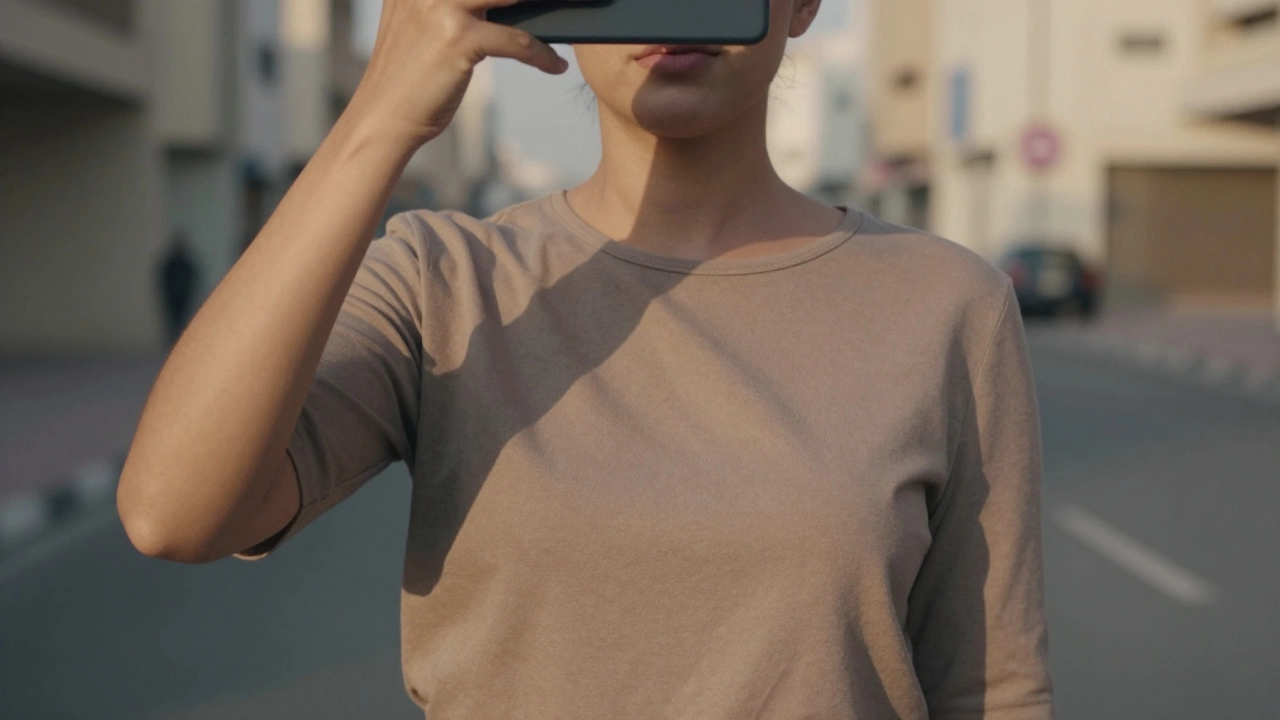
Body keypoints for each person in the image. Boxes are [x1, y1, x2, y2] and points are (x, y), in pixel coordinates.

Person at [117, 0, 1054, 717]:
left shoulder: (946, 301)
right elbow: (175, 512)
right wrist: (380, 118)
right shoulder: (444, 280)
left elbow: (991, 691)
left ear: (802, 2)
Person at [156, 232, 199, 347]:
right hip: (173, 295)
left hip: (182, 295)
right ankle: (175, 341)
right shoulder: (172, 263)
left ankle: (178, 340)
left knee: (181, 319)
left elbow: (192, 277)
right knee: (174, 320)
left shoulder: (184, 263)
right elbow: (164, 278)